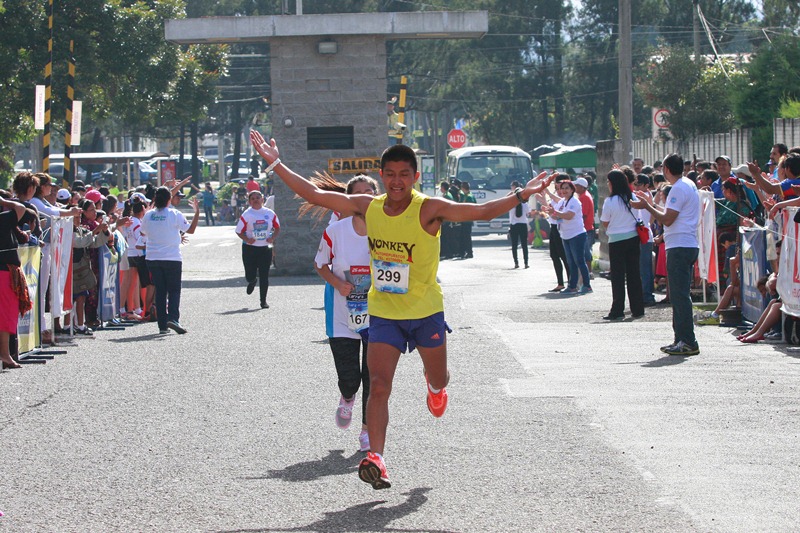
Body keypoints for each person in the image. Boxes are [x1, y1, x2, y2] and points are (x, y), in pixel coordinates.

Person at [250, 130, 553, 490]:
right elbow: (314, 194)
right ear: (381, 176)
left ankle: (435, 386)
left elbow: (481, 210)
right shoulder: (369, 207)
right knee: (378, 385)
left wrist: (522, 194)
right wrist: (275, 163)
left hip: (425, 312)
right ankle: (376, 457)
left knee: (439, 379)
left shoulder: (429, 209)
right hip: (385, 313)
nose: (396, 182)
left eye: (403, 175)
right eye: (390, 174)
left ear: (415, 177)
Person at [313, 174, 378, 453]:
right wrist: (339, 283)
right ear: (347, 200)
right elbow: (320, 264)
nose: (364, 198)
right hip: (343, 314)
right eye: (358, 193)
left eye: (370, 192)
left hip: (379, 313)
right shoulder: (336, 231)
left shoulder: (389, 229)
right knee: (350, 376)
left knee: (374, 376)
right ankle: (347, 395)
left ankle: (367, 431)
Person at [631, 153, 701, 356]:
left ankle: (687, 340)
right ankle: (681, 339)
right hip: (684, 243)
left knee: (679, 296)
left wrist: (647, 206)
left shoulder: (678, 187)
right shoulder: (687, 184)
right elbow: (672, 213)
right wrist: (651, 203)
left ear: (667, 169)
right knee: (679, 295)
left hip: (680, 246)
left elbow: (668, 219)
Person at [141, 186, 200, 334]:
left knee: (160, 291)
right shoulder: (175, 213)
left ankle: (162, 325)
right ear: (169, 200)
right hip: (172, 257)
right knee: (174, 290)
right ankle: (173, 318)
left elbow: (143, 232)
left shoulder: (148, 215)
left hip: (153, 258)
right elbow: (190, 230)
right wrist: (196, 213)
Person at [599, 170, 645, 320]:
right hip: (633, 238)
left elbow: (605, 221)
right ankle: (638, 309)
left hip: (616, 240)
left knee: (618, 277)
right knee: (634, 275)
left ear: (612, 183)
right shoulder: (632, 197)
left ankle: (617, 309)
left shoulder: (610, 201)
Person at [0, 195, 35, 369]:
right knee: (5, 314)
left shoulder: (5, 221)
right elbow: (20, 208)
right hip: (4, 272)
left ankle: (6, 354)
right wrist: (4, 201)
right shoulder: (3, 219)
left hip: (5, 271)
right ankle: (5, 355)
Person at [543, 179, 592, 295]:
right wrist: (550, 212)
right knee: (571, 262)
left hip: (577, 234)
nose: (564, 191)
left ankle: (587, 285)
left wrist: (555, 212)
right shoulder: (562, 202)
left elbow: (569, 216)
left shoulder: (575, 202)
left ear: (572, 190)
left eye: (566, 188)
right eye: (562, 188)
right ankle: (572, 286)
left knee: (579, 261)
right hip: (566, 235)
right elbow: (557, 218)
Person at [235, 190, 280, 309]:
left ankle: (263, 301)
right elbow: (238, 231)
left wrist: (272, 237)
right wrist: (247, 239)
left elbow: (277, 227)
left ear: (262, 200)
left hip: (265, 248)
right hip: (249, 248)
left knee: (264, 275)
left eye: (258, 197)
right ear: (249, 202)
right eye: (253, 198)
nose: (256, 200)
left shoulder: (270, 213)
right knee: (250, 273)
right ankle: (252, 280)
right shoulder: (247, 214)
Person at [633, 174, 657, 306]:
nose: (636, 187)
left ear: (646, 186)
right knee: (640, 268)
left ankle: (647, 295)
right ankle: (643, 294)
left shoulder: (646, 196)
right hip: (642, 235)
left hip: (645, 237)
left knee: (645, 269)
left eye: (639, 184)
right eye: (635, 184)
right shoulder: (641, 195)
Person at [507, 180, 530, 269]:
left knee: (514, 245)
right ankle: (526, 263)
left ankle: (516, 262)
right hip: (523, 224)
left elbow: (509, 214)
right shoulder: (525, 204)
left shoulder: (511, 204)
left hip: (514, 225)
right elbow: (528, 213)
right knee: (524, 245)